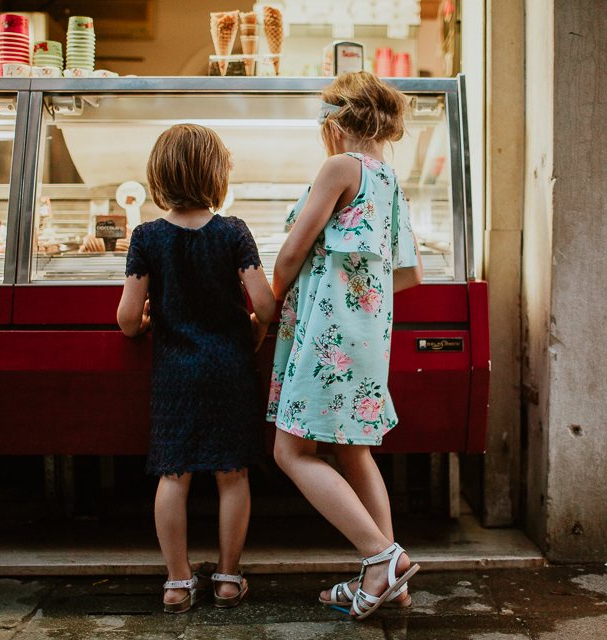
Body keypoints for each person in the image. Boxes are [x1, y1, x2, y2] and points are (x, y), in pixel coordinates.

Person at [266, 72, 424, 620]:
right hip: (365, 340)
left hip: (327, 338)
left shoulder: (339, 167)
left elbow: (289, 255)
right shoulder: (390, 182)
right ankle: (388, 582)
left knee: (290, 451)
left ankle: (382, 557)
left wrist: (278, 299)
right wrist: (358, 293)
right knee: (353, 450)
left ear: (335, 125)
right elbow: (411, 275)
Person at [118, 124, 275, 613]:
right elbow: (267, 305)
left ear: (159, 173)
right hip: (229, 367)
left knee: (174, 474)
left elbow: (127, 319)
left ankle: (178, 582)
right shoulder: (233, 232)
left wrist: (144, 320)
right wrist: (254, 326)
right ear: (215, 173)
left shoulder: (146, 236)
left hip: (175, 374)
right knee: (232, 474)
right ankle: (228, 579)